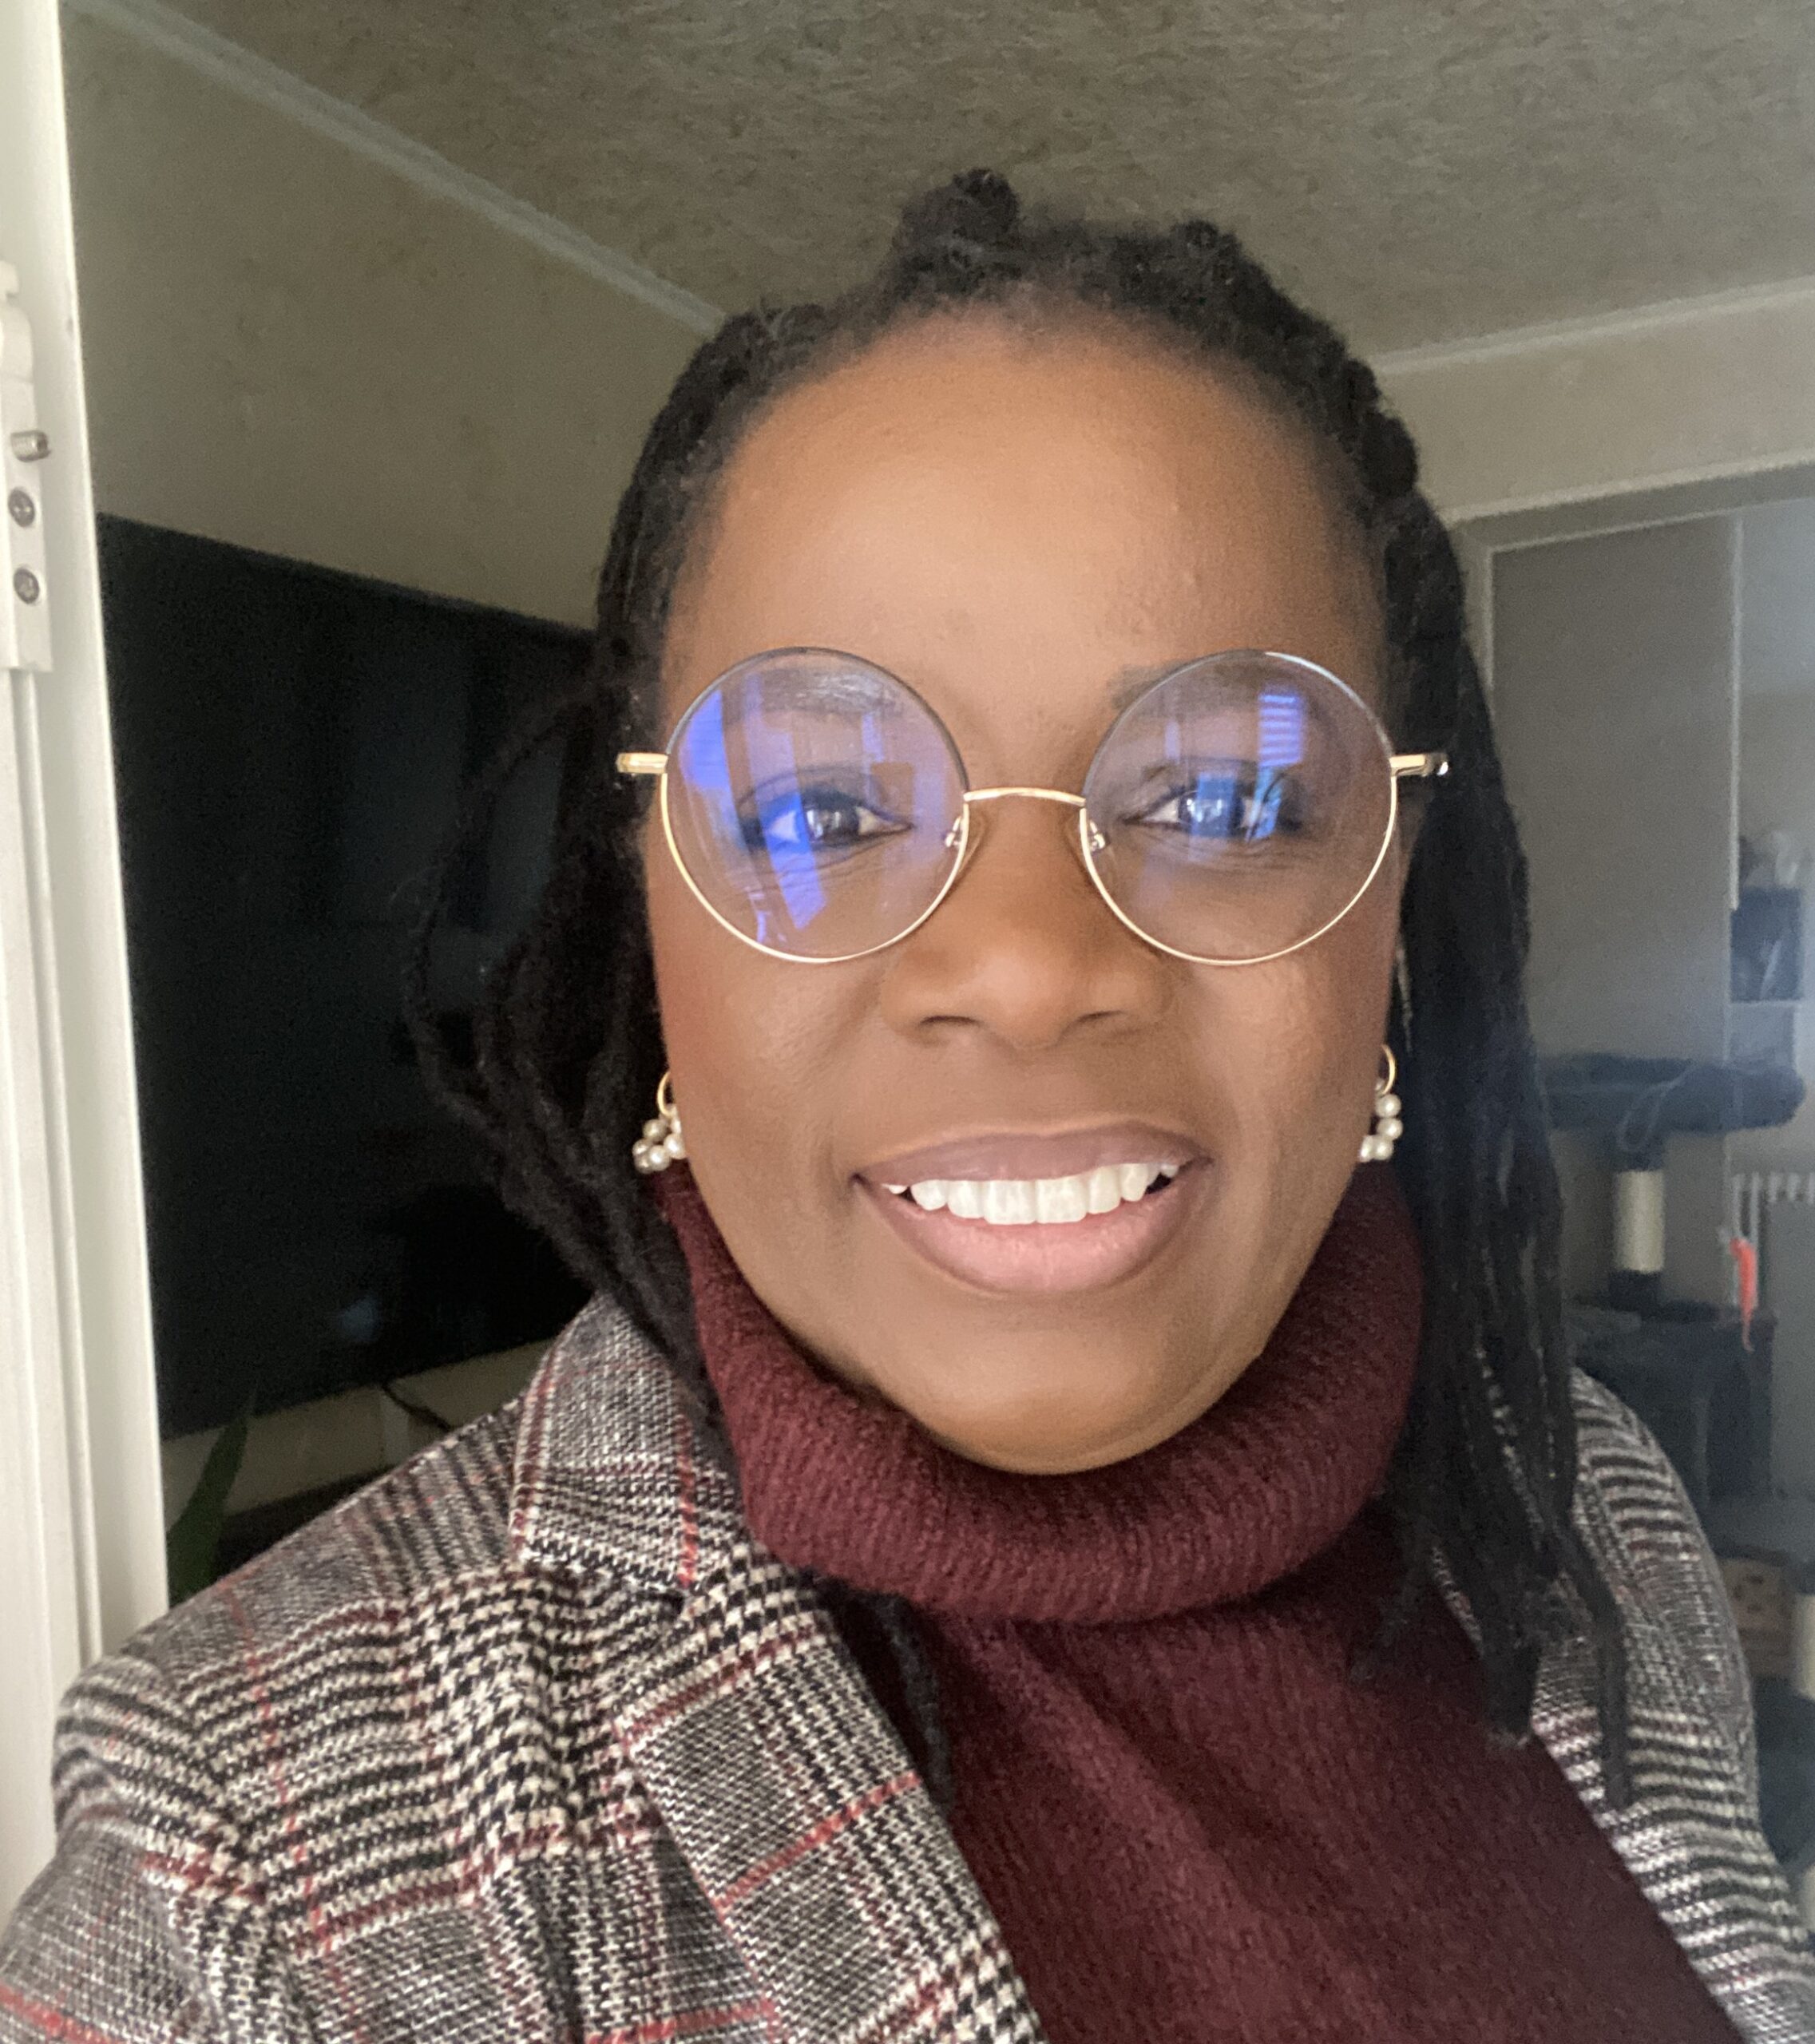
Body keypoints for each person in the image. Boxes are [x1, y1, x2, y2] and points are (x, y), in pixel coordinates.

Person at [2, 172, 1809, 2044]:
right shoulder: (248, 1866)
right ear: (648, 904)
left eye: (1221, 799)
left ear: (1393, 893)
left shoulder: (1580, 1504)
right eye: (818, 809)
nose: (1022, 964)